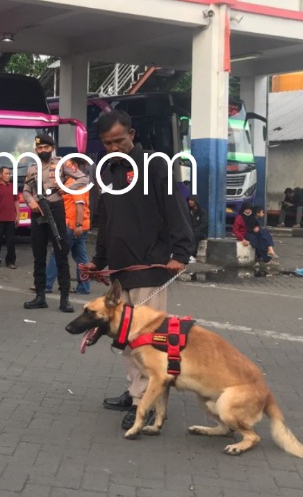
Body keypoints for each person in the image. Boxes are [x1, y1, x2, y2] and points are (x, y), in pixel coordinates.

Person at [81, 110, 193, 430]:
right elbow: (107, 224)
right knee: (126, 339)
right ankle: (135, 392)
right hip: (120, 270)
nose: (114, 147)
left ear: (131, 134)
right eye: (107, 143)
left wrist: (182, 252)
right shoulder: (107, 173)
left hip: (150, 267)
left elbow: (175, 207)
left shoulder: (155, 165)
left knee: (147, 339)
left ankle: (145, 401)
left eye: (119, 140)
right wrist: (99, 262)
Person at [22, 134, 86, 313]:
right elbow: (26, 190)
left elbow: (83, 179)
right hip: (37, 212)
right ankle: (40, 296)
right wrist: (30, 201)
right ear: (36, 150)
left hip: (56, 209)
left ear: (52, 148)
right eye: (40, 148)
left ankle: (65, 298)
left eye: (46, 148)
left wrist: (64, 189)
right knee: (38, 254)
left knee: (60, 252)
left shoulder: (62, 164)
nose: (43, 151)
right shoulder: (32, 168)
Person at [44, 164, 90, 294]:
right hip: (81, 225)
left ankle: (46, 284)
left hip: (72, 226)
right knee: (81, 257)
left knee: (57, 253)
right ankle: (84, 287)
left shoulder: (72, 183)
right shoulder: (75, 183)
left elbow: (79, 204)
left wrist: (78, 225)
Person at [0, 165, 18, 269]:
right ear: (0, 175)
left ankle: (10, 261)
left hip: (10, 218)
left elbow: (16, 201)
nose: (8, 176)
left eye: (9, 174)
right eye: (6, 174)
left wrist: (17, 215)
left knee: (11, 242)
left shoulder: (13, 186)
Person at [187, 195, 208, 262]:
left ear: (195, 201)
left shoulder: (202, 212)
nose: (189, 202)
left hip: (200, 232)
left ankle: (193, 255)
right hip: (190, 231)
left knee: (195, 235)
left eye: (192, 200)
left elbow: (204, 224)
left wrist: (194, 230)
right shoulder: (188, 212)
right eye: (189, 200)